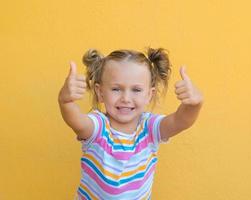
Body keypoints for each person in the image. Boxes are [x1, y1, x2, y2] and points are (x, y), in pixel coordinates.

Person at [58, 47, 204, 199]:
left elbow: (179, 121)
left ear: (149, 94)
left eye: (136, 90)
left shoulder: (149, 128)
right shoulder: (98, 126)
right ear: (100, 92)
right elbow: (78, 122)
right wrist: (65, 101)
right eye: (116, 89)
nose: (126, 98)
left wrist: (194, 105)